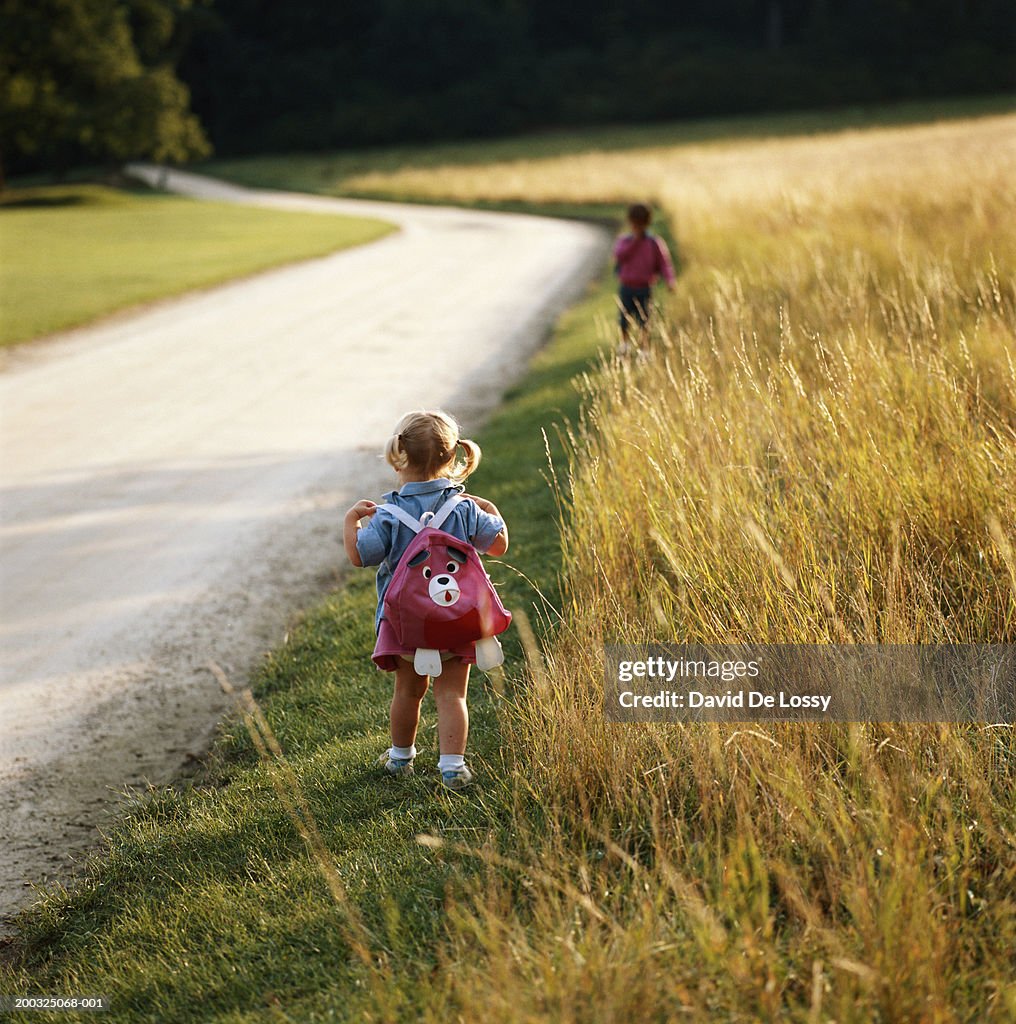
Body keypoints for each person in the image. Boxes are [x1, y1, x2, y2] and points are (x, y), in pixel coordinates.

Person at [343, 410, 509, 790]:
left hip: (407, 625)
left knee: (408, 692)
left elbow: (360, 556)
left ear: (398, 456)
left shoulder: (387, 515)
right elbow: (498, 545)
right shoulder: (465, 508)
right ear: (453, 459)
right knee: (452, 694)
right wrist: (492, 512)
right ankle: (453, 766)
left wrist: (351, 522)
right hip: (458, 620)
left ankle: (401, 758)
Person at [613, 202, 676, 350]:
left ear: (646, 224)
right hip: (627, 287)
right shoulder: (625, 241)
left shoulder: (654, 243)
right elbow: (619, 256)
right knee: (624, 319)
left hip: (645, 288)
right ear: (630, 223)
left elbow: (664, 263)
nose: (638, 228)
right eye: (635, 225)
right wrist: (634, 242)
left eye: (640, 225)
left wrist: (670, 281)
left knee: (644, 321)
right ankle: (625, 345)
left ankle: (644, 348)